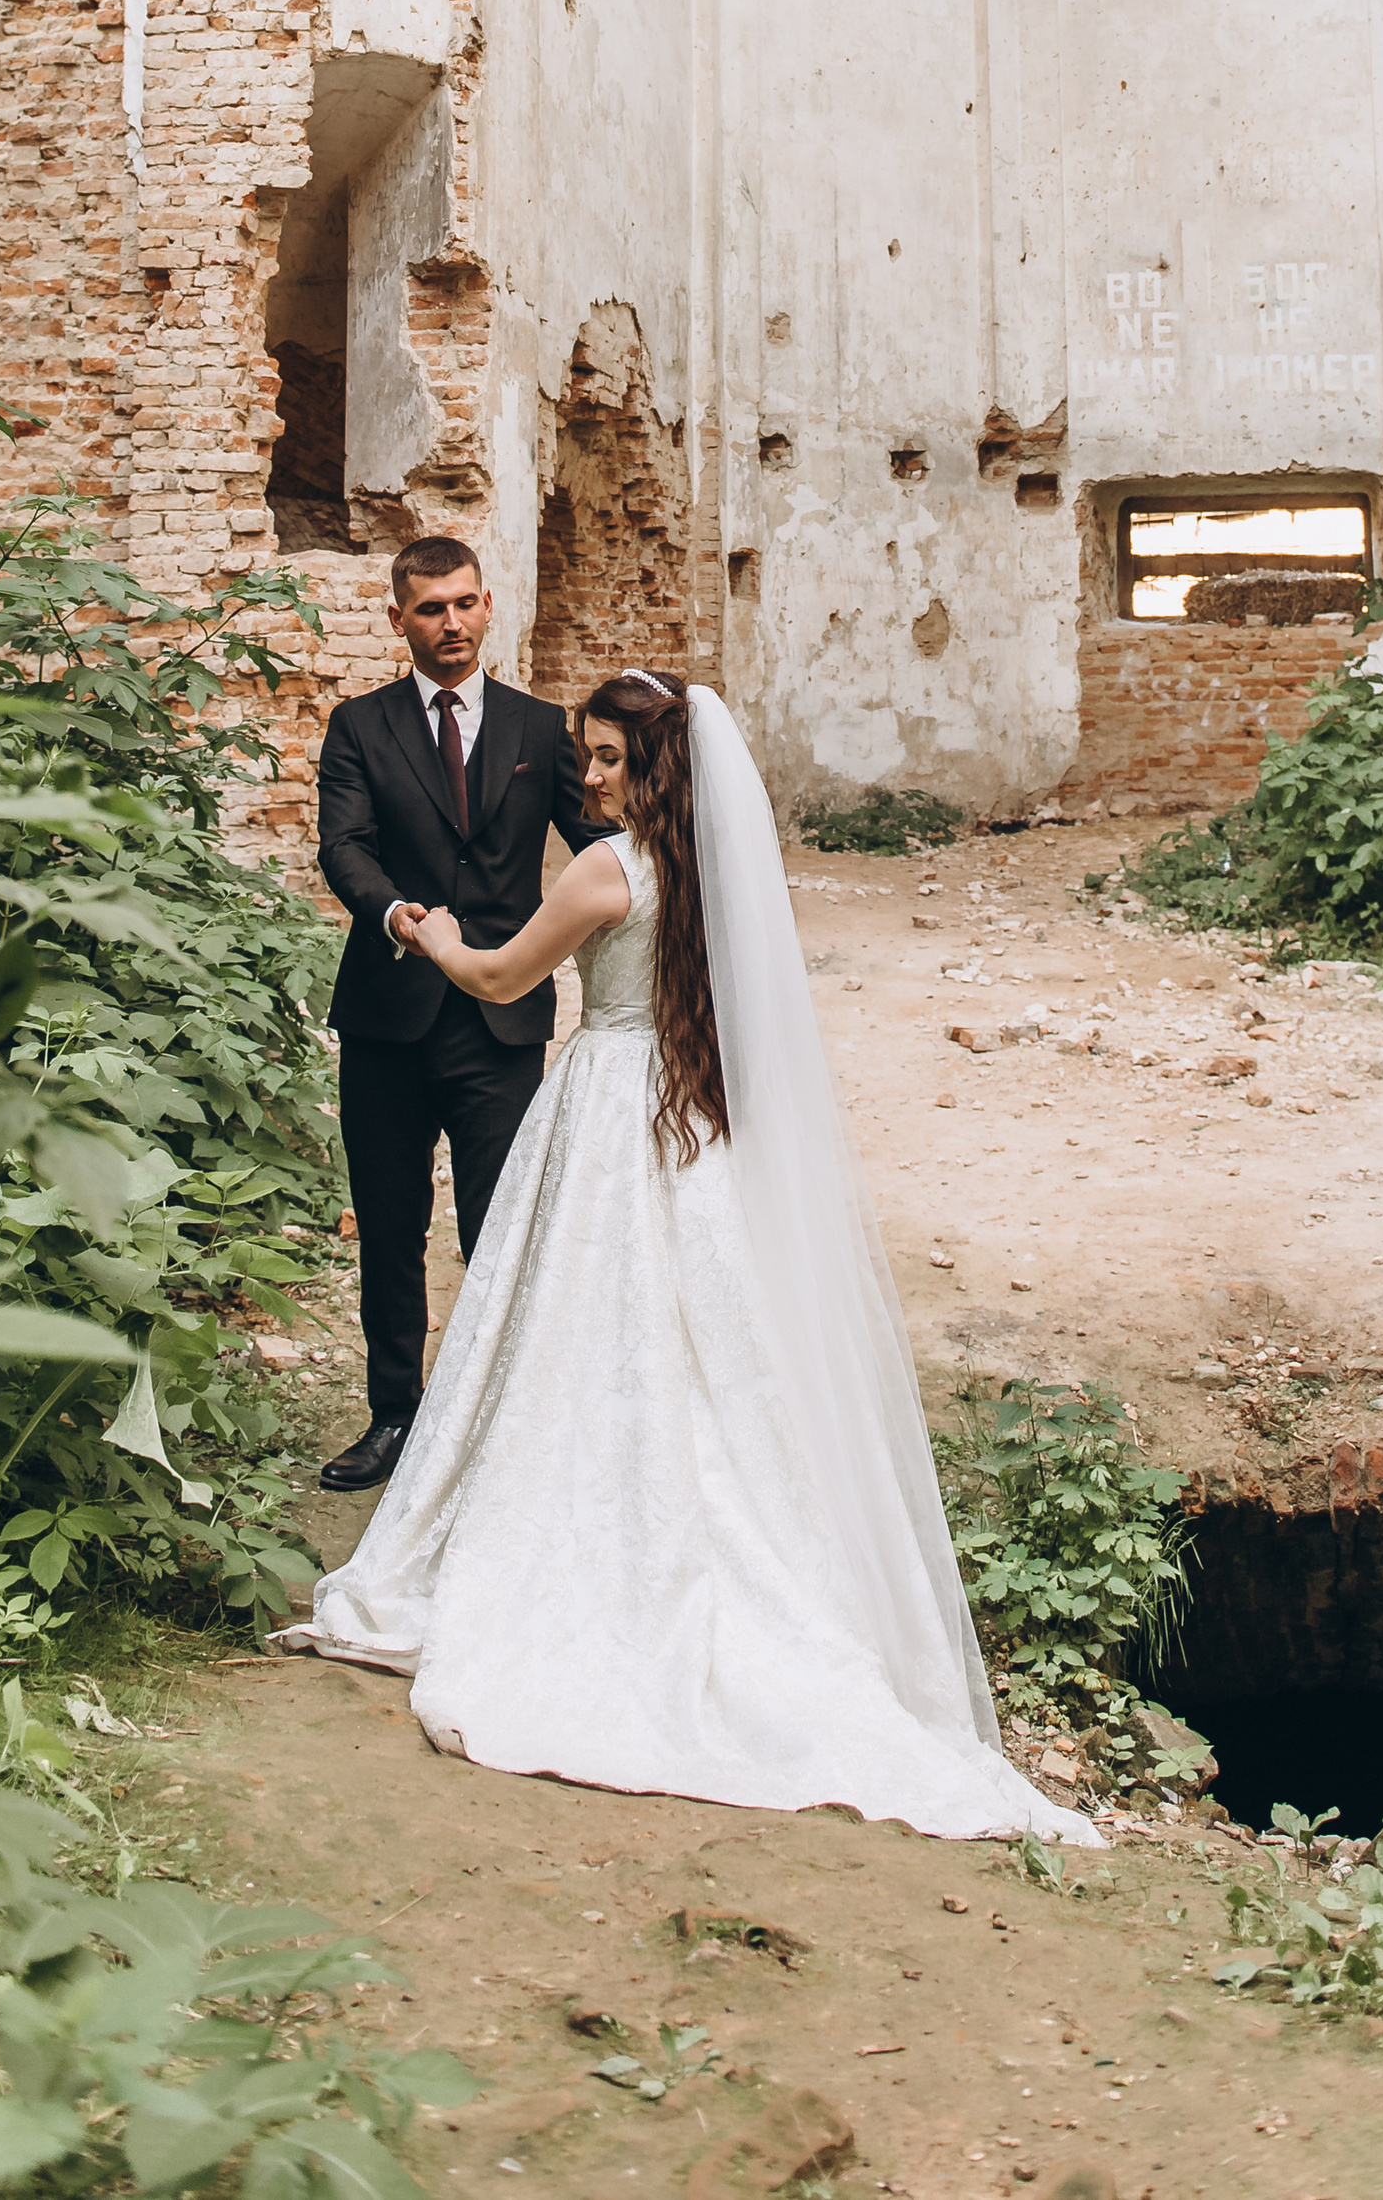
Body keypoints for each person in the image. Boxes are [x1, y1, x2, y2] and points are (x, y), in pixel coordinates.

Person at [276, 669, 1095, 1845]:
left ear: (655, 764)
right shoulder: (712, 872)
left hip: (611, 1107)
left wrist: (444, 937)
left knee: (579, 1315)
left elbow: (507, 979)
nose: (590, 778)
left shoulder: (606, 868)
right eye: (587, 757)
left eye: (608, 758)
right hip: (690, 1118)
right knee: (696, 1330)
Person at [314, 535, 606, 1491]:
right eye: (431, 608)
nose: (452, 623)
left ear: (490, 607)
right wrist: (397, 915)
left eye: (466, 604)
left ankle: (497, 1424)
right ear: (398, 618)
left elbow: (600, 839)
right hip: (387, 1020)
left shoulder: (538, 728)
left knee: (499, 1229)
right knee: (391, 1228)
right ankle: (395, 1418)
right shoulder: (359, 726)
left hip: (504, 1023)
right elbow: (345, 847)